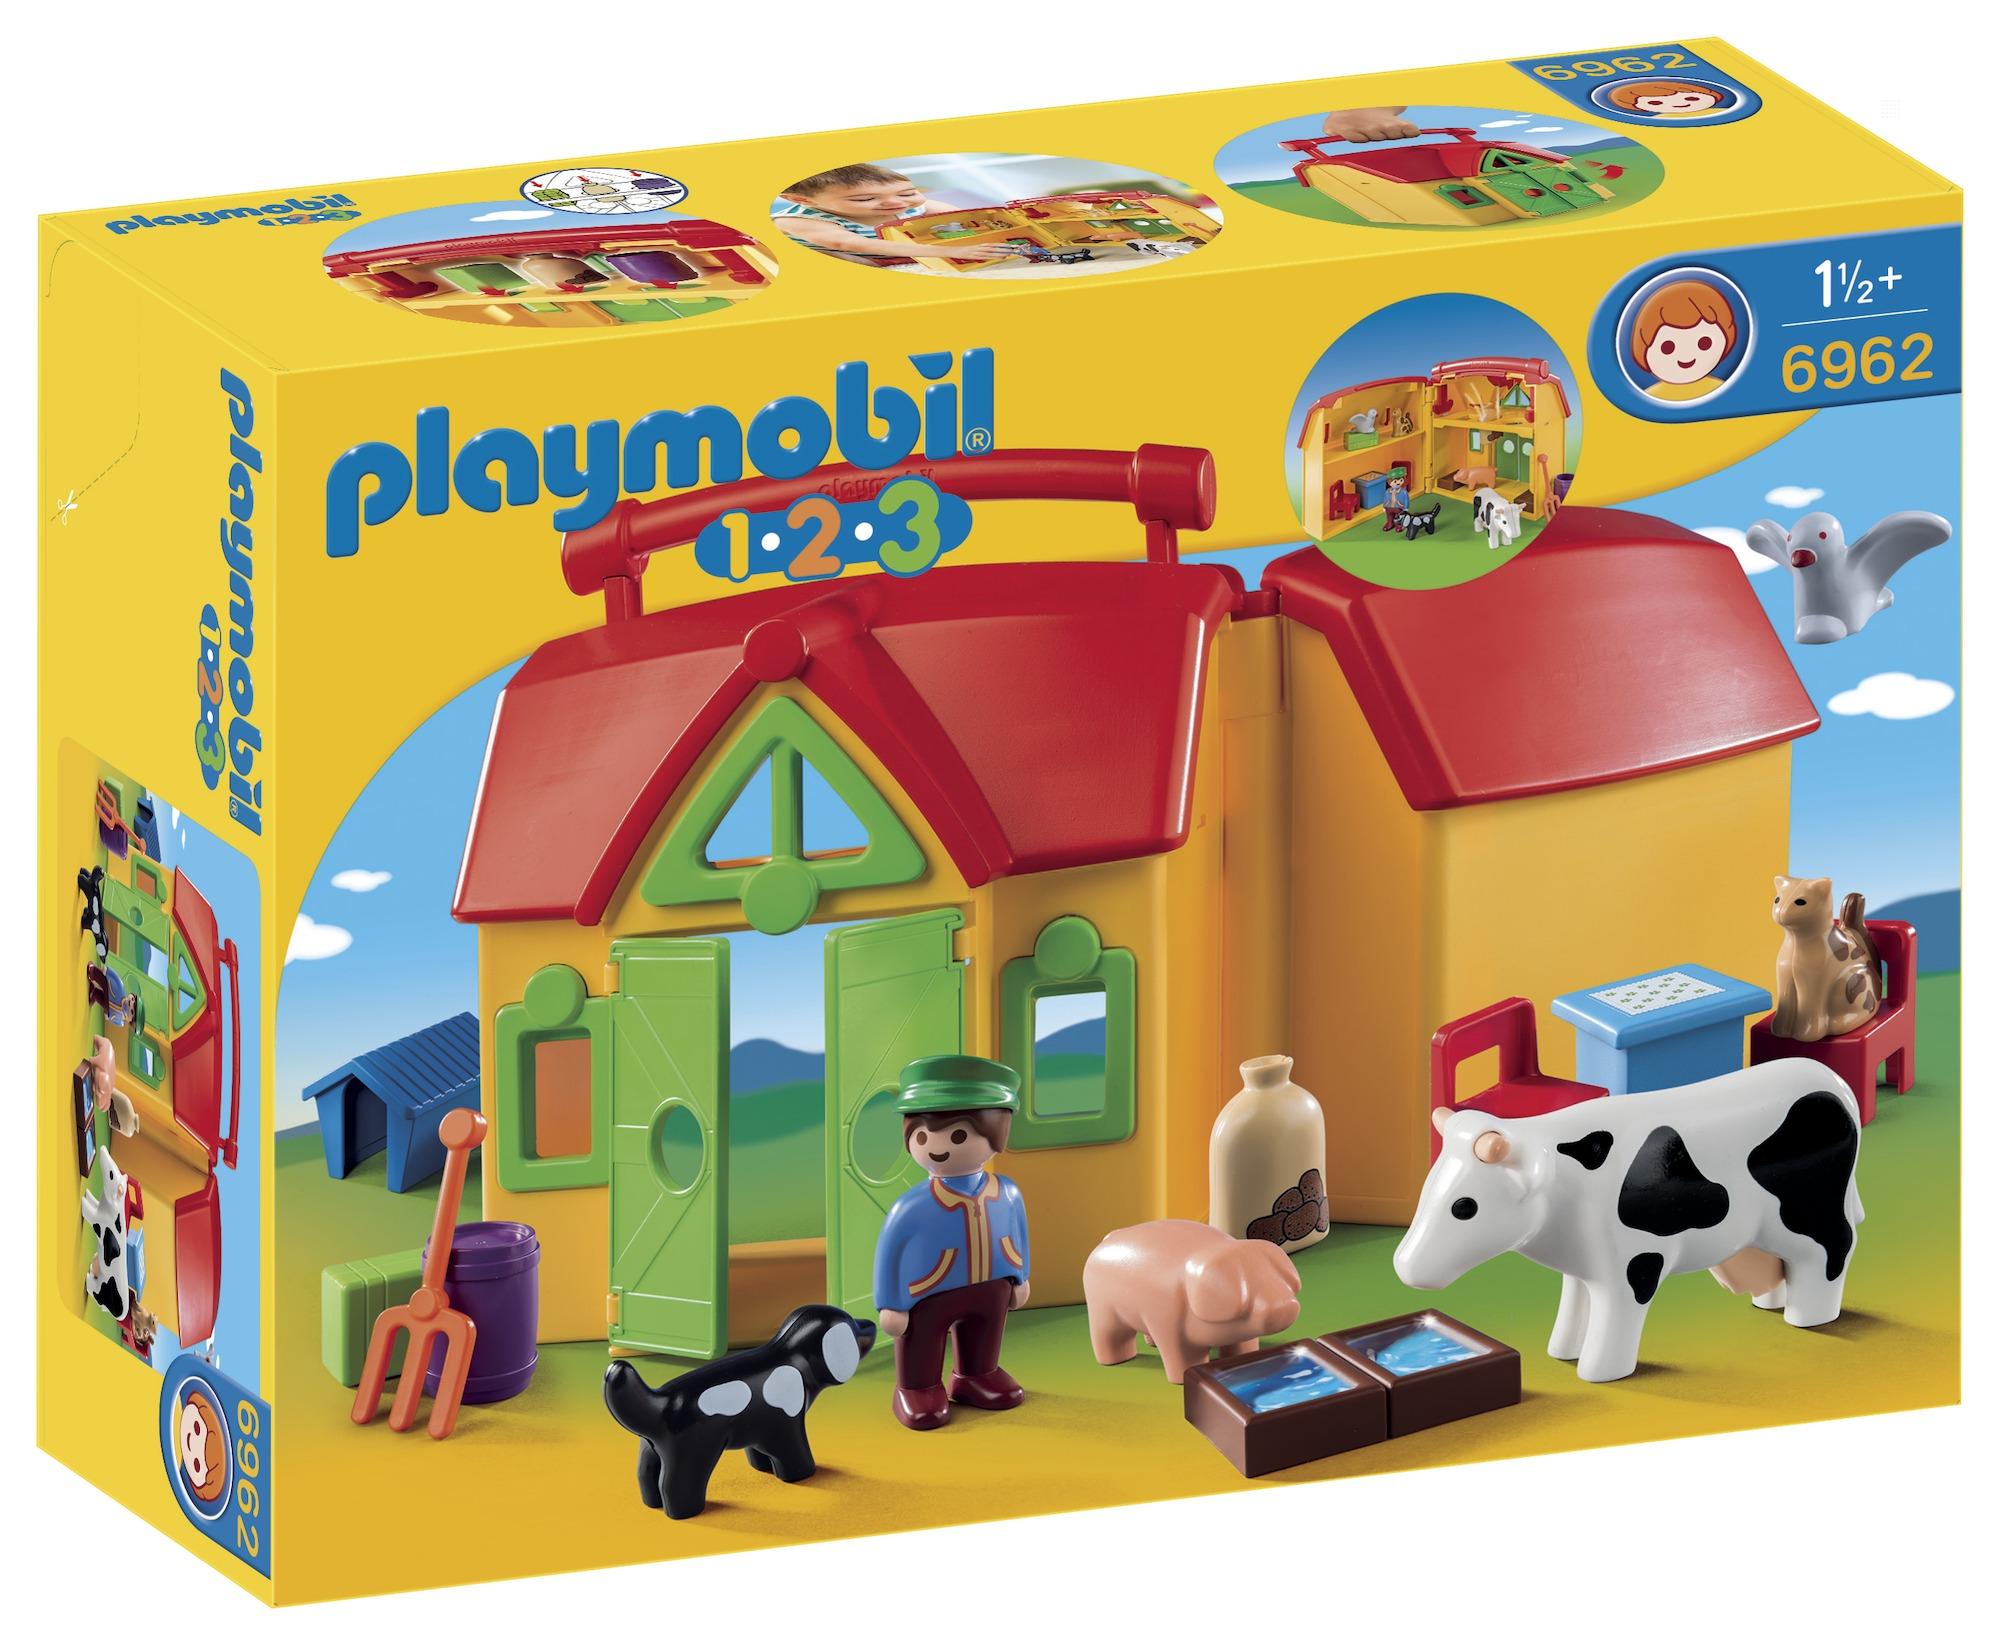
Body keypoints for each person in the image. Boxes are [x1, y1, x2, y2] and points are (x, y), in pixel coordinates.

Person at [872, 1055, 1030, 1430]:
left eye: (958, 1135)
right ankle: (916, 1387)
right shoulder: (910, 1206)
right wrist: (890, 1303)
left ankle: (977, 1375)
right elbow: (890, 1254)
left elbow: (1019, 1232)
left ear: (997, 1132)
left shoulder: (1006, 1192)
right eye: (922, 1136)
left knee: (985, 1335)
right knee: (922, 1343)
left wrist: (1021, 1276)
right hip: (928, 1292)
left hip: (992, 1285)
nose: (937, 1147)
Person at [774, 164, 1017, 266]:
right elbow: (849, 244)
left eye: (908, 192)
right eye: (865, 199)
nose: (895, 203)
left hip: (894, 249)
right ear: (802, 200)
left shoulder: (904, 203)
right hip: (842, 254)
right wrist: (953, 251)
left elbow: (960, 215)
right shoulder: (797, 220)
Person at [1630, 277, 1740, 401]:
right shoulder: (1650, 396)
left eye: (1704, 343)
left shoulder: (1721, 389)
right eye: (1667, 348)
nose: (1686, 355)